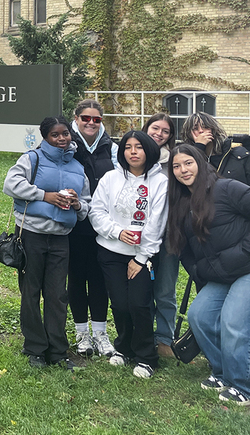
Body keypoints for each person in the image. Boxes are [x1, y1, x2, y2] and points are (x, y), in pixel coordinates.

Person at [167, 144, 250, 405]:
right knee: (200, 317)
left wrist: (243, 253)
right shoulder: (180, 203)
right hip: (223, 273)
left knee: (235, 321)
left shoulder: (227, 188)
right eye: (176, 166)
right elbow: (183, 247)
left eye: (188, 163)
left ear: (200, 162)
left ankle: (248, 388)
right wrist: (199, 271)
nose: (183, 170)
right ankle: (224, 372)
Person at [3, 116, 91, 371]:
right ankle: (34, 349)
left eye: (65, 133)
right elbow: (11, 184)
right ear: (46, 137)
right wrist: (45, 196)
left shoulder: (77, 166)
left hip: (61, 237)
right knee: (30, 292)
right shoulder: (32, 159)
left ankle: (58, 351)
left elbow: (87, 203)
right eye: (55, 134)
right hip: (31, 234)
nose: (62, 138)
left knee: (57, 295)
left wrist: (77, 204)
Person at [89, 130, 167, 378]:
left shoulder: (160, 182)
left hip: (144, 256)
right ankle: (124, 348)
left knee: (139, 304)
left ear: (149, 151)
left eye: (139, 147)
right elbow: (96, 212)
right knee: (121, 304)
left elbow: (157, 223)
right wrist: (117, 232)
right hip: (111, 251)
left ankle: (146, 357)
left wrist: (141, 258)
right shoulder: (110, 178)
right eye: (127, 147)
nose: (133, 152)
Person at [67, 99, 118, 357]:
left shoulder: (112, 148)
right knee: (76, 278)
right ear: (76, 118)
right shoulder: (67, 145)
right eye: (85, 118)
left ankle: (100, 333)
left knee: (99, 279)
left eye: (96, 119)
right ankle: (81, 333)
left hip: (103, 226)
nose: (90, 123)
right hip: (73, 224)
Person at [142, 113, 181, 358]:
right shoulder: (130, 155)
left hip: (168, 236)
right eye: (155, 128)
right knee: (141, 290)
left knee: (165, 289)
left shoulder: (175, 160)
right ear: (146, 128)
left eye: (165, 131)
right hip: (137, 236)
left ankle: (165, 338)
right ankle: (143, 335)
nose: (159, 133)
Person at [181, 112, 250, 196]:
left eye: (205, 127)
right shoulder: (185, 157)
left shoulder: (240, 154)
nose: (201, 131)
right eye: (195, 129)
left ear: (213, 129)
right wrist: (199, 147)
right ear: (189, 133)